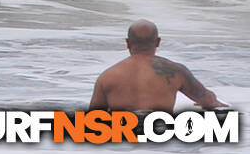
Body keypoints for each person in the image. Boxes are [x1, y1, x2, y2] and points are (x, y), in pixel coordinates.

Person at [88, 20, 227, 112]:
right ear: (158, 42)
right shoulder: (175, 71)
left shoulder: (107, 77)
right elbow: (206, 100)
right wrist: (212, 100)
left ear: (128, 43)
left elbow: (93, 119)